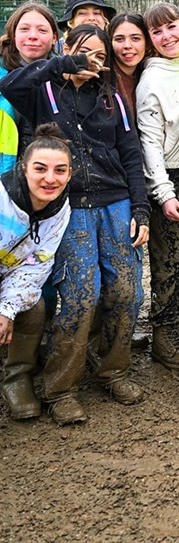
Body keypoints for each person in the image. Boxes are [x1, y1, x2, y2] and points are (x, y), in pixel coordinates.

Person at [0, 24, 149, 425]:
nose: (91, 62)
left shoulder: (112, 97)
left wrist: (141, 208)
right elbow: (10, 84)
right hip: (70, 206)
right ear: (67, 50)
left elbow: (131, 154)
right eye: (83, 53)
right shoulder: (43, 90)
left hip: (115, 202)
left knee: (126, 290)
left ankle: (114, 370)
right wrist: (63, 64)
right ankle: (60, 386)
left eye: (99, 56)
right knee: (83, 292)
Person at [136, 3, 179, 372]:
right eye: (157, 32)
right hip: (171, 178)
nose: (167, 37)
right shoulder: (151, 81)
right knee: (170, 261)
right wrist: (163, 193)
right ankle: (162, 333)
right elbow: (150, 143)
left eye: (171, 27)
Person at [0, 124, 72, 420]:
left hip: (8, 276)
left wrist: (7, 310)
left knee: (35, 305)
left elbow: (37, 264)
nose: (50, 179)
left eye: (60, 171)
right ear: (24, 168)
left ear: (70, 174)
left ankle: (16, 379)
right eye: (40, 169)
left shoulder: (60, 210)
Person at [0, 1, 59, 172]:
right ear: (13, 34)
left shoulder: (63, 75)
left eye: (42, 30)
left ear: (55, 38)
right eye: (24, 29)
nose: (33, 36)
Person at [108, 13, 149, 123]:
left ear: (147, 42)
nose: (127, 45)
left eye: (135, 38)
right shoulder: (103, 79)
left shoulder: (152, 74)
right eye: (119, 39)